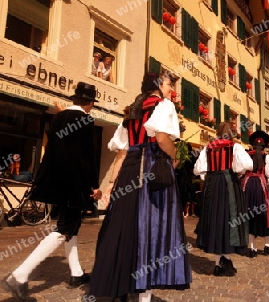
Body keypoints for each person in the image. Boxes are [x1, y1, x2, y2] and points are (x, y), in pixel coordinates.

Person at [89, 72, 191, 301]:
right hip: (153, 169)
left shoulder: (132, 110)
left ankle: (119, 284)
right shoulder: (164, 106)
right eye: (168, 85)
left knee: (124, 226)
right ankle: (145, 294)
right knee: (152, 226)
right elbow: (162, 138)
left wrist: (113, 184)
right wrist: (175, 157)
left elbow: (122, 152)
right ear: (157, 86)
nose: (171, 90)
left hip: (130, 171)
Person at [2, 82, 102, 302]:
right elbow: (87, 157)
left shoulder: (58, 118)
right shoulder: (86, 120)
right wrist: (94, 186)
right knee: (65, 228)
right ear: (91, 103)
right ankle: (18, 276)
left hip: (55, 182)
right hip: (74, 184)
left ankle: (76, 273)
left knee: (71, 226)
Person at [193, 121, 253, 276]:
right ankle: (225, 260)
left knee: (214, 219)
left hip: (212, 185)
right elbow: (247, 164)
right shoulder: (235, 147)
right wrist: (236, 173)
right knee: (229, 220)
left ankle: (219, 262)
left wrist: (210, 175)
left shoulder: (208, 147)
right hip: (228, 184)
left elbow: (198, 169)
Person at [241, 131, 269, 257]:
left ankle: (252, 247)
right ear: (265, 145)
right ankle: (267, 245)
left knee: (248, 214)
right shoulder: (267, 157)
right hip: (261, 186)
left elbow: (239, 171)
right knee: (266, 214)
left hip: (246, 186)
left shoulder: (246, 155)